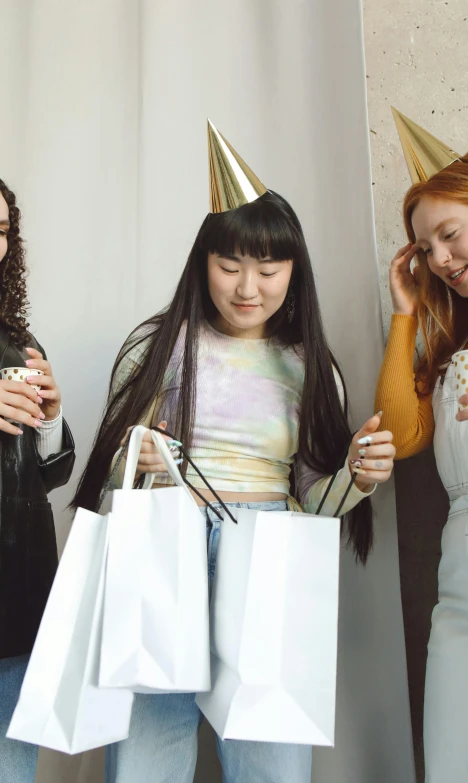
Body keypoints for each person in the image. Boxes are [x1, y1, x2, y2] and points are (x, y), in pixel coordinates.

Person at [74, 123, 394, 783]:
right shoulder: (155, 347)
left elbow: (312, 499)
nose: (249, 285)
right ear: (204, 266)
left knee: (271, 755)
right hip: (167, 548)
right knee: (146, 755)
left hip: (270, 550)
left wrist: (358, 476)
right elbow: (110, 467)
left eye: (268, 267)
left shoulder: (310, 365)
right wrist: (144, 462)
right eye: (230, 265)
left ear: (293, 271)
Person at [0, 165, 75, 783]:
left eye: (0, 229)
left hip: (10, 546)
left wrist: (49, 418)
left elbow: (53, 471)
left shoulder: (13, 337)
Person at [375, 115, 468, 782]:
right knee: (450, 759)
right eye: (425, 246)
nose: (438, 256)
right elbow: (400, 434)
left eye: (451, 233)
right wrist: (406, 310)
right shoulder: (450, 341)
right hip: (460, 578)